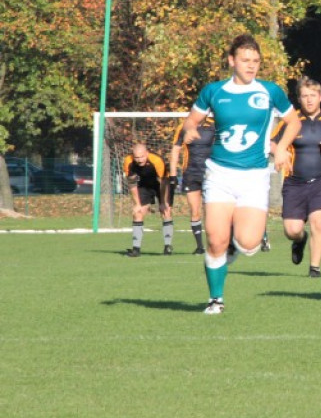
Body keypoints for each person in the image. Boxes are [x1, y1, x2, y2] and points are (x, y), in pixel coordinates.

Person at [180, 33, 301, 314]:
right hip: (219, 174)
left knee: (248, 244)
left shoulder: (270, 91)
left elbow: (293, 122)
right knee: (215, 240)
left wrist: (282, 148)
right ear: (231, 61)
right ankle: (216, 300)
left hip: (254, 176)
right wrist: (190, 130)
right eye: (245, 60)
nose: (251, 65)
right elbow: (191, 120)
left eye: (255, 61)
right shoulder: (214, 91)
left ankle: (235, 247)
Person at [270, 76, 321, 278]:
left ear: (320, 97)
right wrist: (280, 151)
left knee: (318, 223)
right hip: (294, 183)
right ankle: (299, 240)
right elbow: (271, 142)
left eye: (312, 95)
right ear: (299, 99)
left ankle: (315, 268)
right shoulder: (291, 122)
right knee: (292, 230)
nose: (309, 100)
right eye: (304, 96)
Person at [170, 114, 218, 254]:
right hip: (191, 173)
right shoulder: (183, 127)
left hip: (210, 173)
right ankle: (200, 247)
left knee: (211, 212)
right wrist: (173, 174)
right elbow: (176, 149)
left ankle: (215, 244)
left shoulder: (213, 126)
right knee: (194, 211)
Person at [122, 142, 174, 257]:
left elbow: (164, 181)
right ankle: (136, 249)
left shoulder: (156, 160)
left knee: (166, 211)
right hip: (144, 185)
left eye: (142, 157)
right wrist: (137, 204)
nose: (139, 160)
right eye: (137, 157)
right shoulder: (128, 161)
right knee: (138, 212)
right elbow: (132, 183)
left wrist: (163, 202)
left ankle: (168, 246)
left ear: (147, 153)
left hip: (161, 184)